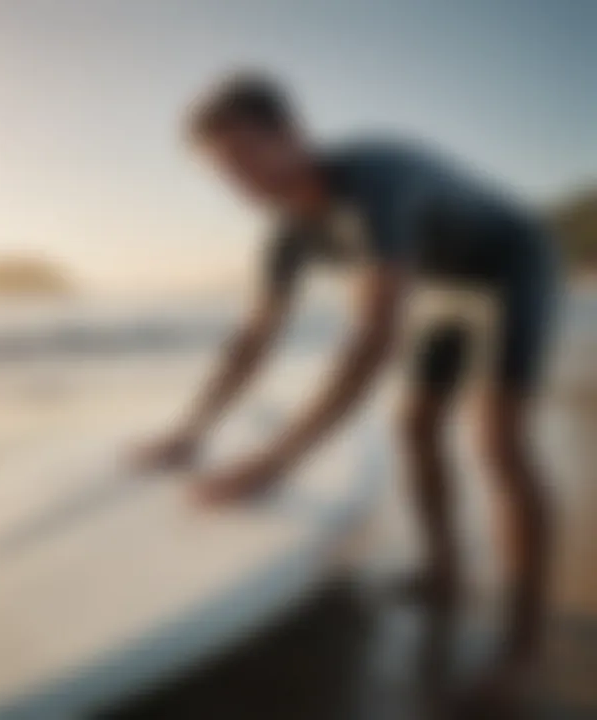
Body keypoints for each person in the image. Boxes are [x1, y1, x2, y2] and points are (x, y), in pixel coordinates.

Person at [132, 72, 558, 711]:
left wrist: (277, 459)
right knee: (414, 426)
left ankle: (522, 652)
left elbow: (373, 339)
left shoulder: (372, 181)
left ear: (292, 135)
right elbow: (254, 337)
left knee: (498, 442)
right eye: (226, 173)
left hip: (513, 265)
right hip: (447, 292)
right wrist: (192, 429)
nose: (244, 183)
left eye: (249, 156)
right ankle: (444, 576)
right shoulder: (287, 233)